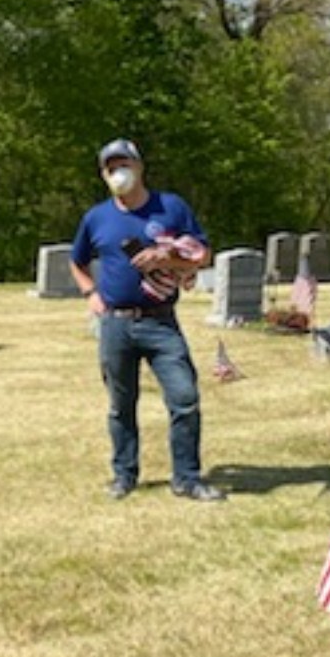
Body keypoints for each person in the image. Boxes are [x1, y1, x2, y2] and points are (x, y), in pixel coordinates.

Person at [69, 138, 225, 503]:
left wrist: (165, 259)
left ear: (140, 167)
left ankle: (186, 478)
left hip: (161, 321)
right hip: (115, 324)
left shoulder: (171, 208)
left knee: (184, 396)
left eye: (124, 164)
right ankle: (124, 475)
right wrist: (90, 294)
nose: (118, 172)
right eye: (110, 167)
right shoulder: (96, 218)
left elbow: (201, 255)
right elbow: (77, 261)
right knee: (121, 405)